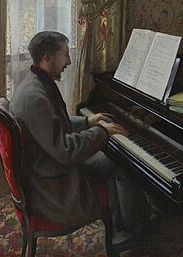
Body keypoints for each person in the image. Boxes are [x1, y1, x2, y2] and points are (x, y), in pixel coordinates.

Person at [9, 31, 153, 245]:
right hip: (53, 187)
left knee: (111, 159)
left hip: (47, 167)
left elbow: (55, 124)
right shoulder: (35, 97)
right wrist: (103, 132)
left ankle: (121, 222)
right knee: (124, 164)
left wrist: (87, 122)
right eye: (65, 55)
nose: (68, 61)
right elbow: (65, 150)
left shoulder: (35, 83)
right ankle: (137, 227)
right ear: (47, 57)